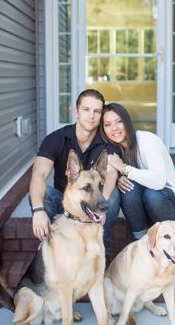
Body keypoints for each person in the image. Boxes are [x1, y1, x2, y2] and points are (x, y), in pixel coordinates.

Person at [29, 89, 121, 250]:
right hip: (64, 205)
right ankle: (52, 247)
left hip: (96, 208)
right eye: (86, 110)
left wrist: (99, 206)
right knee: (44, 195)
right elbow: (39, 174)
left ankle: (101, 251)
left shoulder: (108, 144)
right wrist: (38, 210)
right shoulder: (55, 139)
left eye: (96, 111)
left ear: (101, 116)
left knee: (112, 197)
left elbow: (112, 173)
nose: (91, 116)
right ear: (76, 112)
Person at [100, 102, 175, 239]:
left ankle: (169, 241)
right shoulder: (114, 150)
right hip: (146, 210)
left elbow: (159, 182)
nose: (114, 128)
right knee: (128, 188)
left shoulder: (146, 140)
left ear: (127, 122)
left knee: (152, 195)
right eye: (107, 125)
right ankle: (142, 241)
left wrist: (124, 169)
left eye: (119, 121)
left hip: (171, 206)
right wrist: (118, 178)